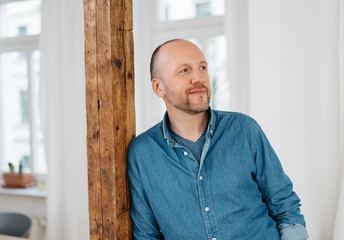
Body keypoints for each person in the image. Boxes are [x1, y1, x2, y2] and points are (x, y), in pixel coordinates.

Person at [127, 39, 308, 240]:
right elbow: (146, 235)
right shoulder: (142, 154)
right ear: (159, 87)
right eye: (184, 70)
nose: (199, 77)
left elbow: (285, 206)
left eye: (202, 67)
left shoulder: (245, 130)